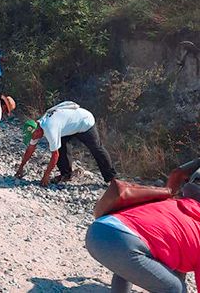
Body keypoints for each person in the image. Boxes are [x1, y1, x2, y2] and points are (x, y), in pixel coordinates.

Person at [86, 157, 200, 292]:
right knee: (175, 288)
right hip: (119, 245)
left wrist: (169, 193)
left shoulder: (175, 205)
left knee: (137, 260)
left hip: (98, 230)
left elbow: (177, 173)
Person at [16, 101, 117, 187]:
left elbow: (55, 156)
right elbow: (30, 148)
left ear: (37, 131)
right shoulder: (37, 128)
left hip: (84, 121)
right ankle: (66, 174)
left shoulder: (50, 129)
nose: (33, 139)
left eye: (33, 136)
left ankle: (112, 179)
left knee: (96, 149)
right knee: (61, 146)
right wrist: (21, 167)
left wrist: (46, 175)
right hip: (68, 127)